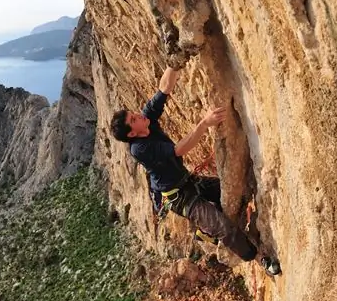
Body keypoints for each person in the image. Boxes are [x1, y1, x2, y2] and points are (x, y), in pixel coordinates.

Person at [110, 67, 281, 276]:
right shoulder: (139, 149)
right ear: (132, 133)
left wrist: (174, 62)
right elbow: (178, 150)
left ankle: (210, 229)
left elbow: (164, 88)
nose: (137, 115)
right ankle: (260, 258)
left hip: (188, 181)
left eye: (133, 114)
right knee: (223, 227)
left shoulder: (146, 120)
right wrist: (204, 124)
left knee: (235, 190)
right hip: (180, 198)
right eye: (133, 120)